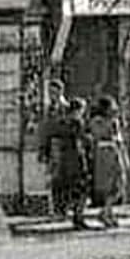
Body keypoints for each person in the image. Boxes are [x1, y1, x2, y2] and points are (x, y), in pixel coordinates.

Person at [89, 94, 130, 228]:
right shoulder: (108, 121)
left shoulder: (100, 121)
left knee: (112, 185)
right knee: (115, 184)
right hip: (110, 152)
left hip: (104, 153)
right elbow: (116, 139)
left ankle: (108, 212)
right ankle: (106, 211)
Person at [54, 97, 92, 229]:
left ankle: (69, 213)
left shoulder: (62, 122)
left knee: (71, 188)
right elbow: (82, 139)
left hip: (65, 159)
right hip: (77, 157)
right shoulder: (78, 122)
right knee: (83, 188)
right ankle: (78, 216)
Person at [36, 79, 69, 220]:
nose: (51, 95)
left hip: (63, 147)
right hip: (51, 147)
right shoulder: (48, 109)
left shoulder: (65, 108)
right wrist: (42, 148)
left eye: (54, 92)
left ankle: (63, 208)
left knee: (63, 179)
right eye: (50, 92)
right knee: (52, 180)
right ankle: (54, 208)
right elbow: (44, 129)